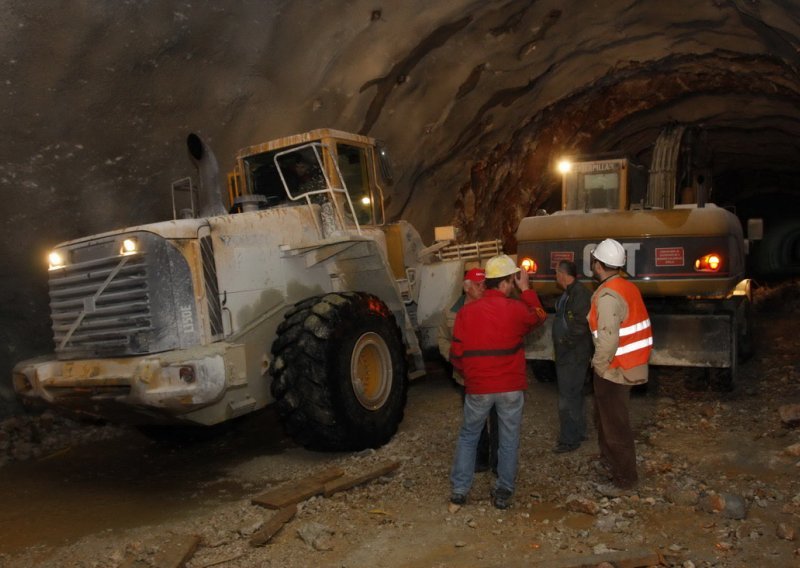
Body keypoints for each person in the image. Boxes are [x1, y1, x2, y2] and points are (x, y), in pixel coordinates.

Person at [449, 254, 547, 509]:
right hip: (510, 387)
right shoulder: (516, 309)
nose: (512, 287)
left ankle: (460, 489)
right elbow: (538, 315)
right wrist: (526, 289)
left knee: (469, 435)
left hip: (479, 386)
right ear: (504, 283)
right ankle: (504, 489)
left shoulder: (466, 313)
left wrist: (471, 375)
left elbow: (456, 355)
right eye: (511, 283)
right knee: (509, 437)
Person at [587, 239, 653, 496]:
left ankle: (625, 481)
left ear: (598, 264)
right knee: (607, 421)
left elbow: (608, 338)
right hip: (626, 366)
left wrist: (598, 366)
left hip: (615, 369)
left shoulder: (608, 296)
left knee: (615, 427)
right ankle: (610, 464)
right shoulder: (626, 287)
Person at [438, 267, 498, 473]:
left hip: (491, 375)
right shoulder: (451, 312)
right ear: (467, 287)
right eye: (479, 284)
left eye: (485, 284)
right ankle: (481, 460)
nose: (483, 288)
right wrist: (453, 357)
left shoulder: (494, 306)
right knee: (475, 422)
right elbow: (443, 339)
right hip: (466, 376)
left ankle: (498, 461)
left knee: (497, 419)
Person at [551, 260, 593, 454]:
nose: (555, 277)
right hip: (570, 354)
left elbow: (580, 325)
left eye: (556, 273)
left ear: (562, 274)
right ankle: (579, 432)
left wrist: (564, 343)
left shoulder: (579, 294)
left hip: (573, 355)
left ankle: (569, 440)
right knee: (574, 394)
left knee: (567, 397)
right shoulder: (569, 294)